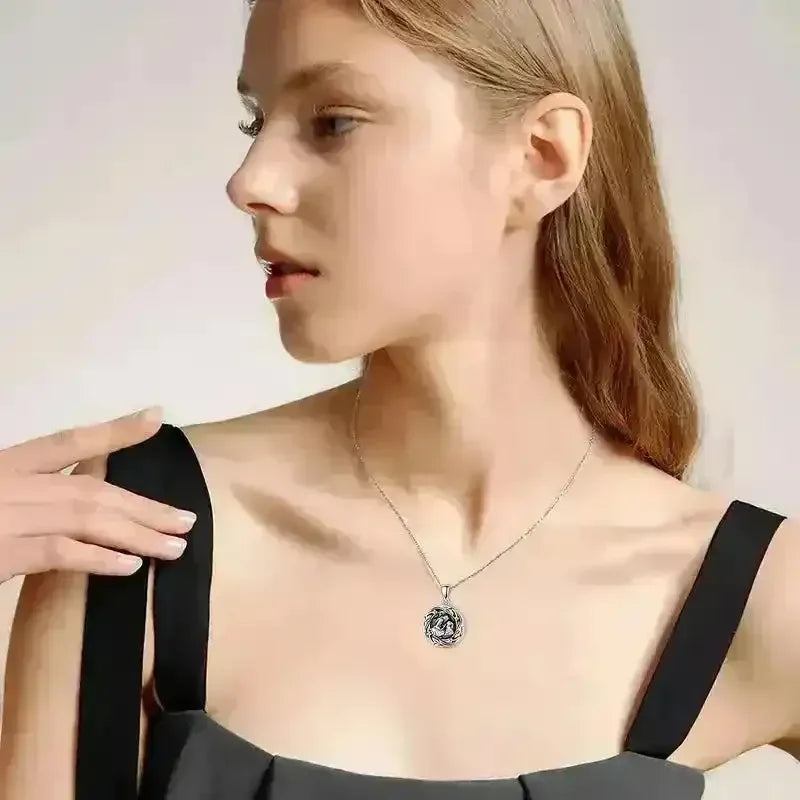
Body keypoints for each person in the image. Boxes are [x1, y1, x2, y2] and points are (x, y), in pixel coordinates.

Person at [0, 0, 797, 798]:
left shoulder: (759, 593)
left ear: (542, 157)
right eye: (256, 122)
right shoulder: (137, 527)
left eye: (334, 122)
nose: (249, 182)